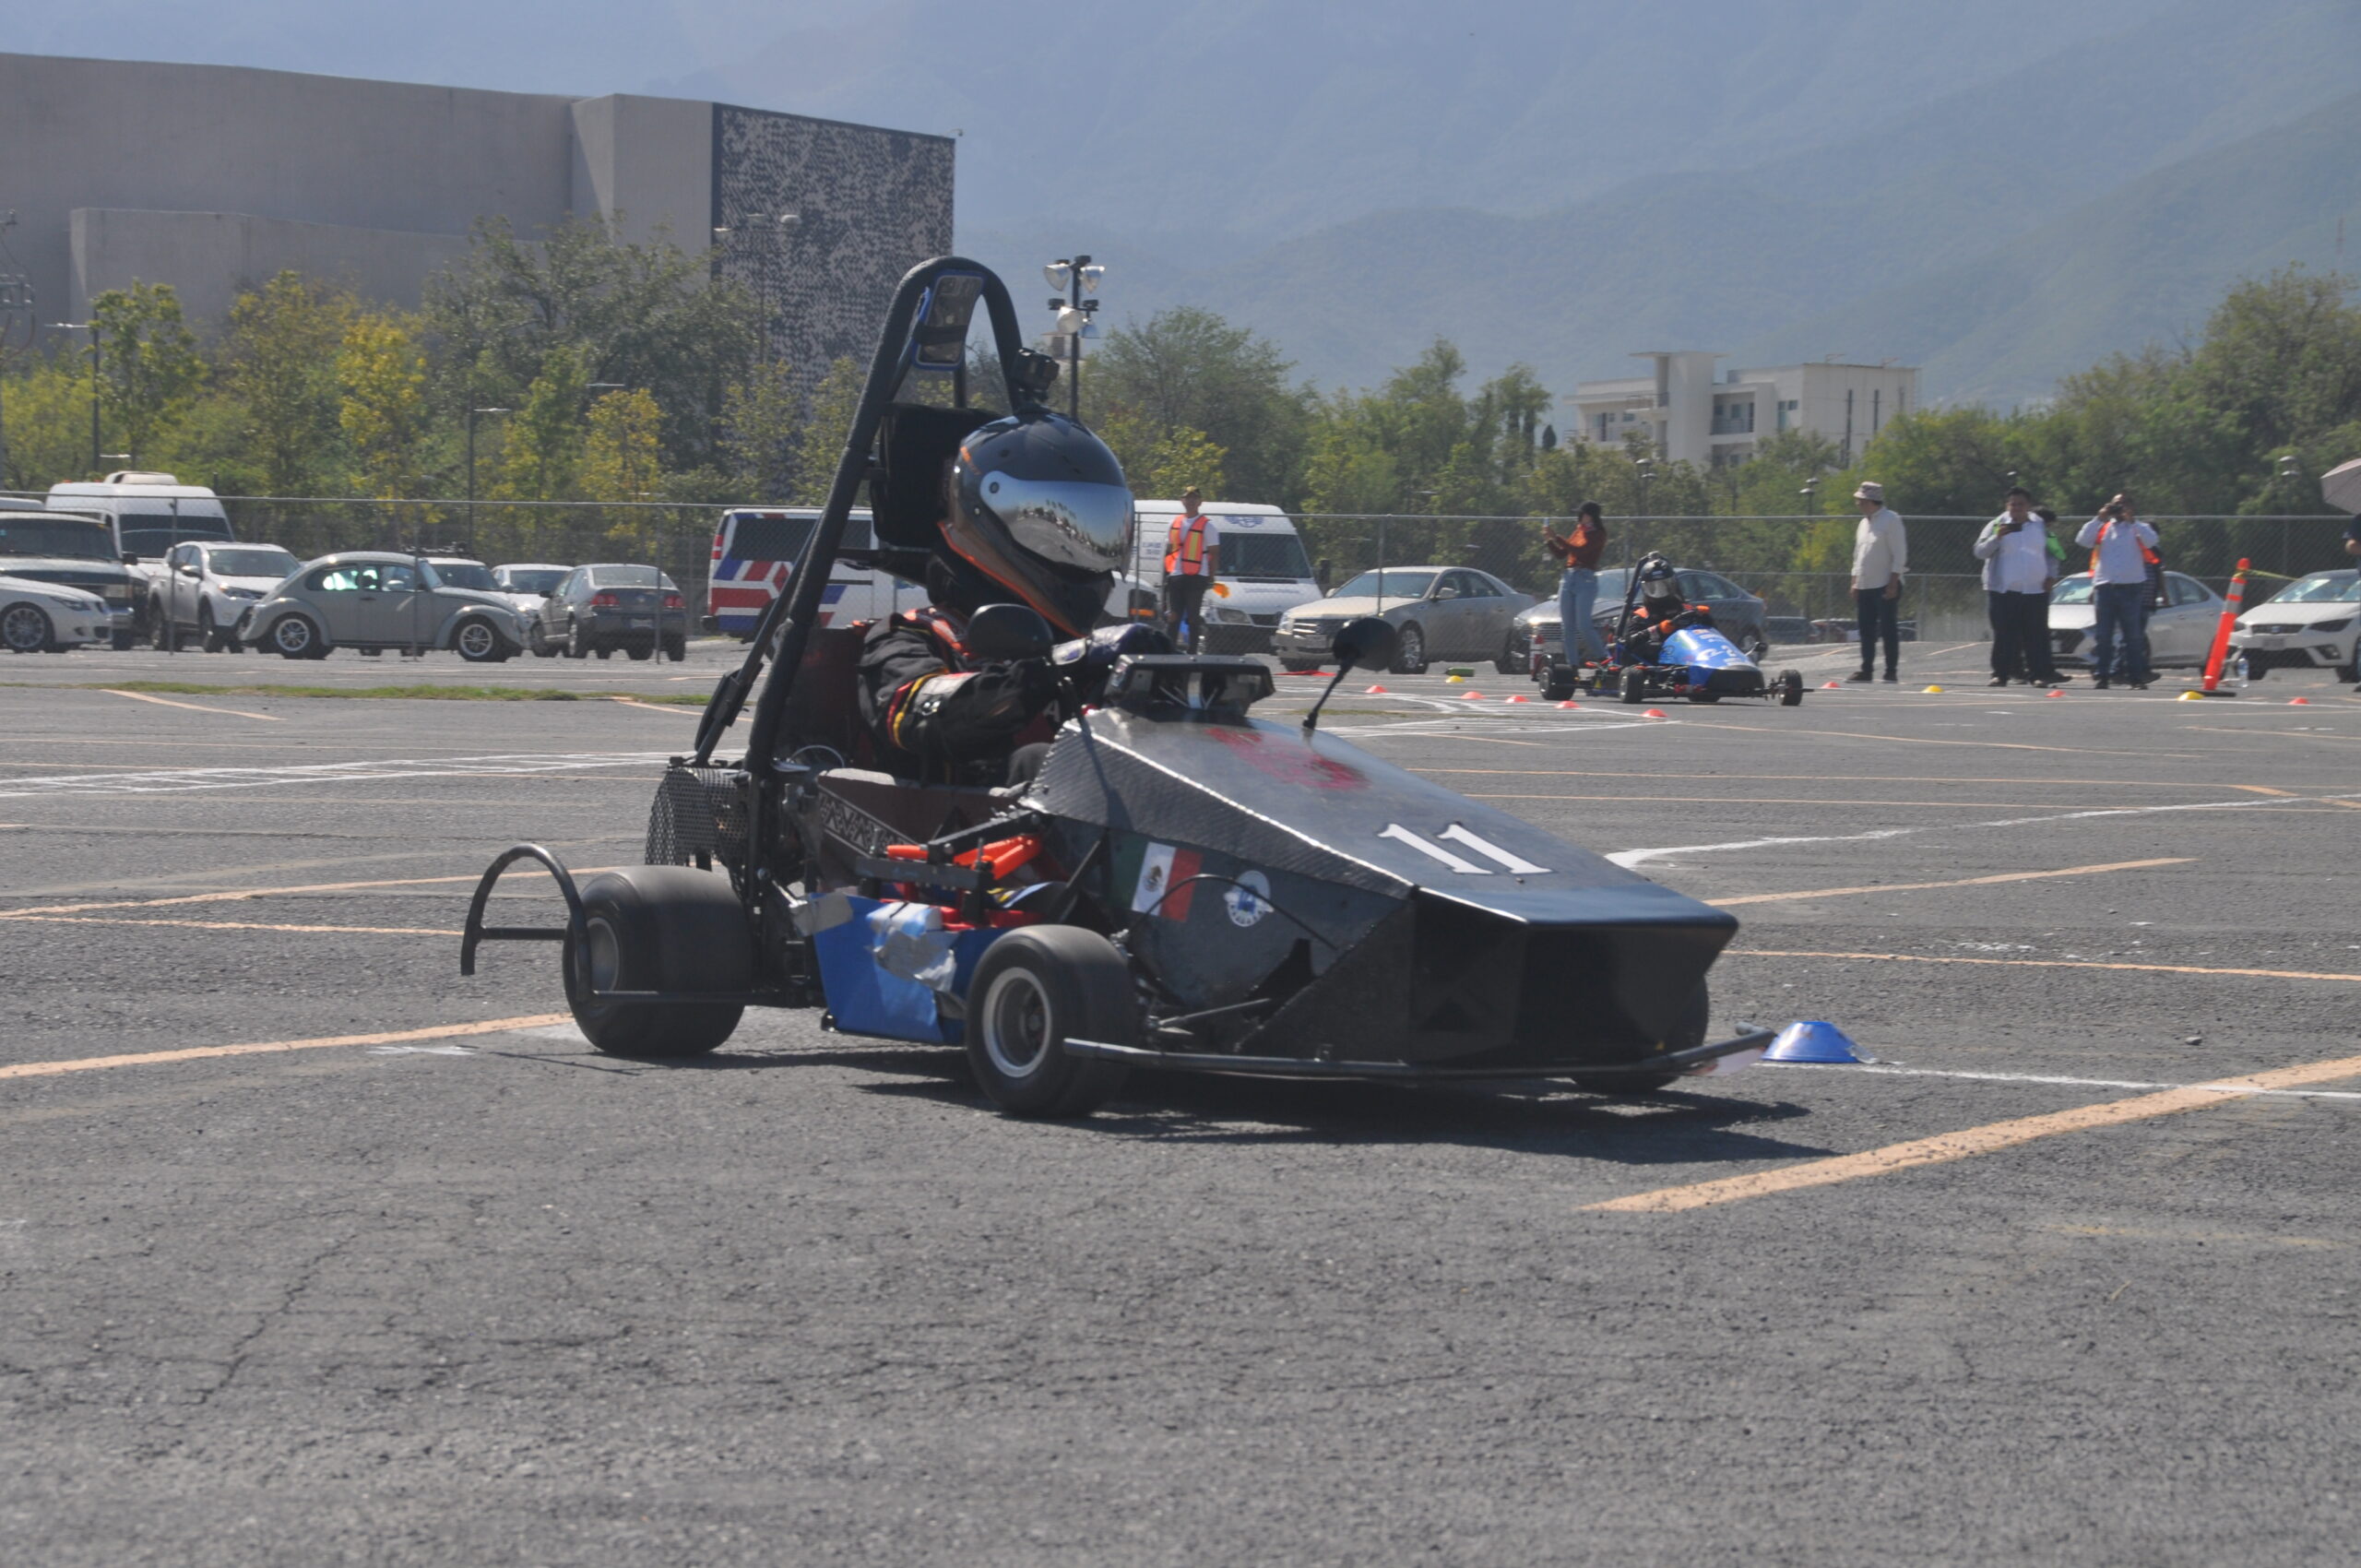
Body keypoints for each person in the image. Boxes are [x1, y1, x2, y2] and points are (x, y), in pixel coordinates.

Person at [858, 405, 1160, 784]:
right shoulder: (906, 638)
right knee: (1037, 761)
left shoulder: (1091, 656)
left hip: (1092, 816)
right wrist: (1055, 668)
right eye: (1054, 531)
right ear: (990, 515)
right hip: (958, 815)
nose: (1078, 548)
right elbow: (923, 717)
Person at [1974, 486, 2059, 686]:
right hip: (2004, 591)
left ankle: (2038, 675)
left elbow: (2052, 553)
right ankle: (2000, 674)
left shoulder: (2039, 525)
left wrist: (2052, 576)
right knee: (2004, 635)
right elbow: (1979, 552)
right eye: (2013, 504)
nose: (2016, 508)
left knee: (2036, 635)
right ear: (2007, 505)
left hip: (2035, 590)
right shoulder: (1996, 524)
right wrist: (1997, 538)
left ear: (2028, 506)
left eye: (2021, 504)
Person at [2074, 493, 2160, 690]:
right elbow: (2082, 540)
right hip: (2105, 586)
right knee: (2104, 635)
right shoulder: (2103, 527)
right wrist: (2099, 517)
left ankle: (2135, 678)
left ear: (2131, 506)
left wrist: (2132, 520)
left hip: (2131, 587)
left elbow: (2151, 541)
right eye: (2116, 504)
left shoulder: (2138, 528)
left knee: (2133, 636)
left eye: (2123, 504)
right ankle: (2103, 676)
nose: (2119, 508)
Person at [1847, 481, 1907, 683]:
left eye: (1861, 500)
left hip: (1885, 584)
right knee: (1866, 630)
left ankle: (1891, 670)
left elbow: (1899, 553)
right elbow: (1858, 555)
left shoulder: (1891, 520)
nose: (1858, 504)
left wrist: (1893, 582)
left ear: (1872, 501)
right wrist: (1854, 581)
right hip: (1865, 584)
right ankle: (1866, 670)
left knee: (1888, 629)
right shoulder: (1863, 524)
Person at [1543, 502, 1608, 668]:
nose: (1580, 517)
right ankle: (1572, 666)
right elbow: (1562, 554)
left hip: (1585, 579)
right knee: (1567, 627)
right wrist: (1549, 541)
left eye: (1583, 514)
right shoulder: (1579, 531)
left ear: (1591, 516)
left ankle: (1604, 658)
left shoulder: (1599, 534)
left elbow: (1580, 551)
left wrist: (1557, 537)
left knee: (1584, 624)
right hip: (1569, 577)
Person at [1160, 485, 1217, 654]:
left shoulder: (1207, 526)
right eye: (1188, 498)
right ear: (1182, 501)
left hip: (1198, 576)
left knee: (1193, 617)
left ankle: (1192, 652)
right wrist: (1167, 574)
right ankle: (1169, 651)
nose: (1191, 501)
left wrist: (1211, 576)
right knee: (1173, 616)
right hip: (1176, 576)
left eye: (1194, 498)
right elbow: (1169, 550)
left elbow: (1214, 553)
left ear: (1200, 502)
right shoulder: (1174, 523)